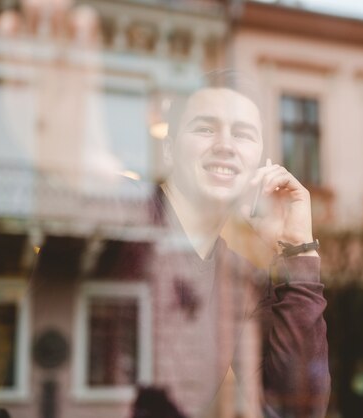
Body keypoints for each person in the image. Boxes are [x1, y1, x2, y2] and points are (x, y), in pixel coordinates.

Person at [135, 72, 330, 418]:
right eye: (206, 129)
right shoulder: (126, 227)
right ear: (168, 149)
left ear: (258, 163)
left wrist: (297, 250)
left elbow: (297, 408)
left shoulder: (236, 280)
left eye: (243, 134)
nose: (225, 145)